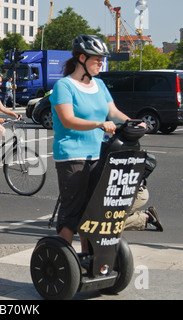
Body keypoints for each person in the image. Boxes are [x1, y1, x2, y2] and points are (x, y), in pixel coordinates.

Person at [49, 35, 146, 256]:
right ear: (81, 58)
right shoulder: (64, 86)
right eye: (97, 60)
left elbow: (113, 112)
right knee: (72, 209)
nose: (101, 64)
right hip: (71, 155)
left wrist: (132, 121)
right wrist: (99, 124)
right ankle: (62, 258)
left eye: (102, 60)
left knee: (92, 210)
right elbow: (68, 120)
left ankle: (87, 255)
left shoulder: (99, 85)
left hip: (98, 154)